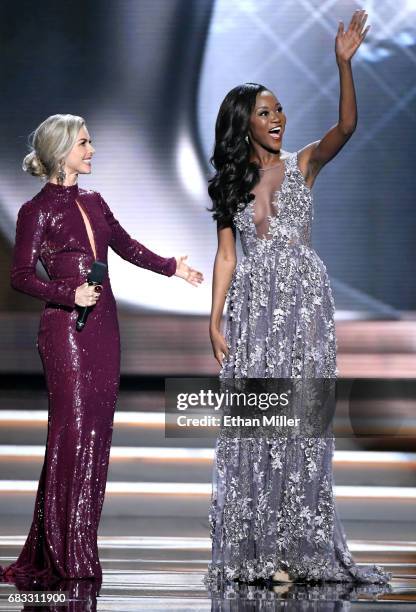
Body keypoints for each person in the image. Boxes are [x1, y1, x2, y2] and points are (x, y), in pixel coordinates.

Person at [206, 10, 391, 589]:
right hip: (254, 316)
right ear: (245, 125)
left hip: (304, 309)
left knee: (301, 426)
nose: (278, 118)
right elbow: (227, 257)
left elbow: (348, 127)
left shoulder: (304, 163)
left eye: (279, 108)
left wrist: (343, 64)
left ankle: (297, 543)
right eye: (265, 112)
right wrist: (214, 319)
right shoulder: (230, 184)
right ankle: (263, 546)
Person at [0, 113, 203, 585]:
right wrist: (69, 293)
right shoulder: (36, 211)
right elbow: (20, 276)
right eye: (85, 143)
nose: (92, 151)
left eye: (91, 142)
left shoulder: (94, 201)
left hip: (104, 327)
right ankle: (59, 552)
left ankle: (79, 546)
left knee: (96, 437)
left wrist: (173, 267)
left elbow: (127, 247)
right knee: (69, 437)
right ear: (61, 150)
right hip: (65, 330)